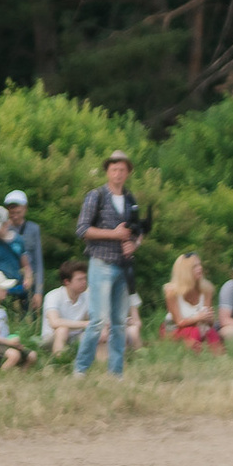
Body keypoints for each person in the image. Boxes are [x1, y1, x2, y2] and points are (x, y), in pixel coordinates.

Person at [73, 150, 141, 377]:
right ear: (107, 171)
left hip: (124, 266)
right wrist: (113, 235)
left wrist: (134, 244)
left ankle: (116, 372)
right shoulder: (96, 196)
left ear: (128, 172)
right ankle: (80, 369)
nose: (118, 173)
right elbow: (82, 229)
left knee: (121, 321)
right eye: (114, 169)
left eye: (122, 169)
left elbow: (138, 231)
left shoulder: (131, 199)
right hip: (101, 263)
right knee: (98, 320)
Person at [164, 253, 222, 351]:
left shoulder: (207, 289)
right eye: (195, 266)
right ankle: (193, 355)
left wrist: (209, 319)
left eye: (200, 265)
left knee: (210, 331)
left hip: (201, 328)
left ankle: (219, 356)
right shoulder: (172, 292)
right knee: (195, 331)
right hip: (176, 330)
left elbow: (209, 323)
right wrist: (198, 317)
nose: (200, 268)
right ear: (185, 271)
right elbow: (179, 322)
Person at [41, 260, 93, 356]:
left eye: (85, 278)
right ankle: (59, 362)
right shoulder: (53, 296)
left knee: (97, 333)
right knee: (62, 329)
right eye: (79, 279)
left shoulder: (87, 296)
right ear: (67, 282)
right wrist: (84, 324)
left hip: (76, 336)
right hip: (52, 337)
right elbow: (54, 322)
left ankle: (100, 365)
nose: (84, 282)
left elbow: (92, 318)